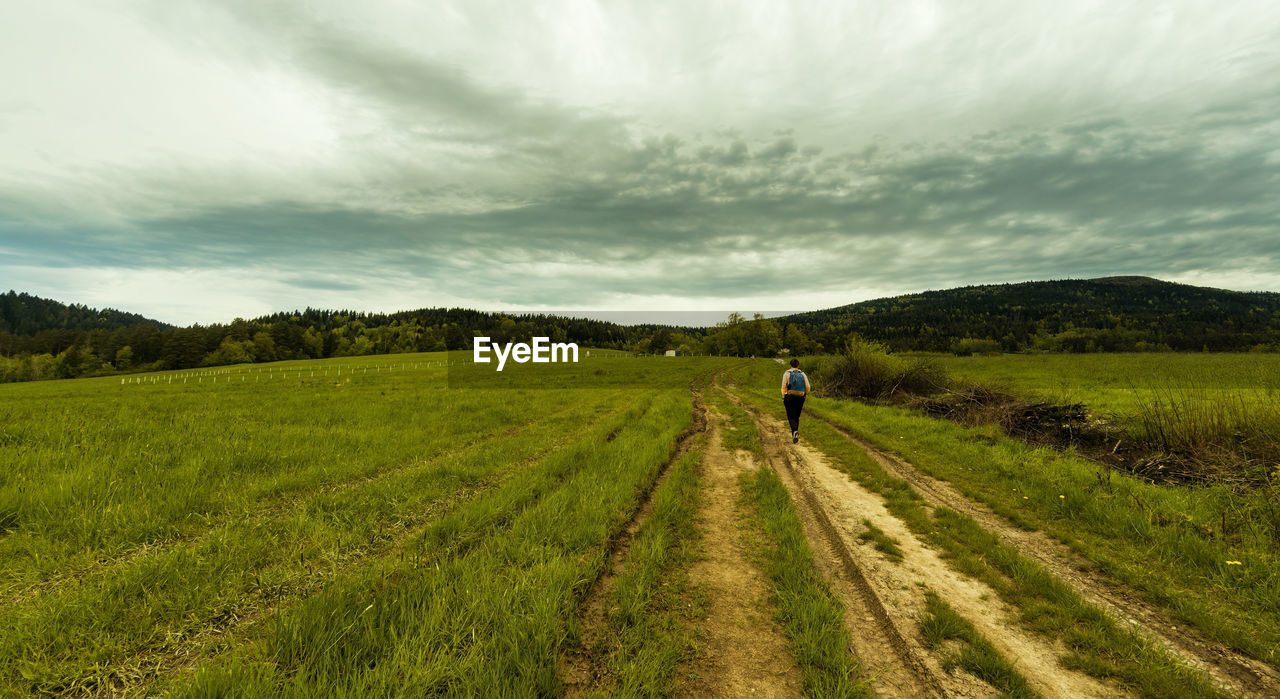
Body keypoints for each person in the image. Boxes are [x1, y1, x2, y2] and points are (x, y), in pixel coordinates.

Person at [780, 358, 810, 443]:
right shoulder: (803, 374)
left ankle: (795, 431)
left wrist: (783, 395)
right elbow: (808, 386)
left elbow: (783, 386)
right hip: (800, 397)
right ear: (798, 365)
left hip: (790, 396)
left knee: (790, 415)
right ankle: (795, 433)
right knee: (796, 415)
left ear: (790, 365)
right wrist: (805, 394)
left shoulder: (787, 373)